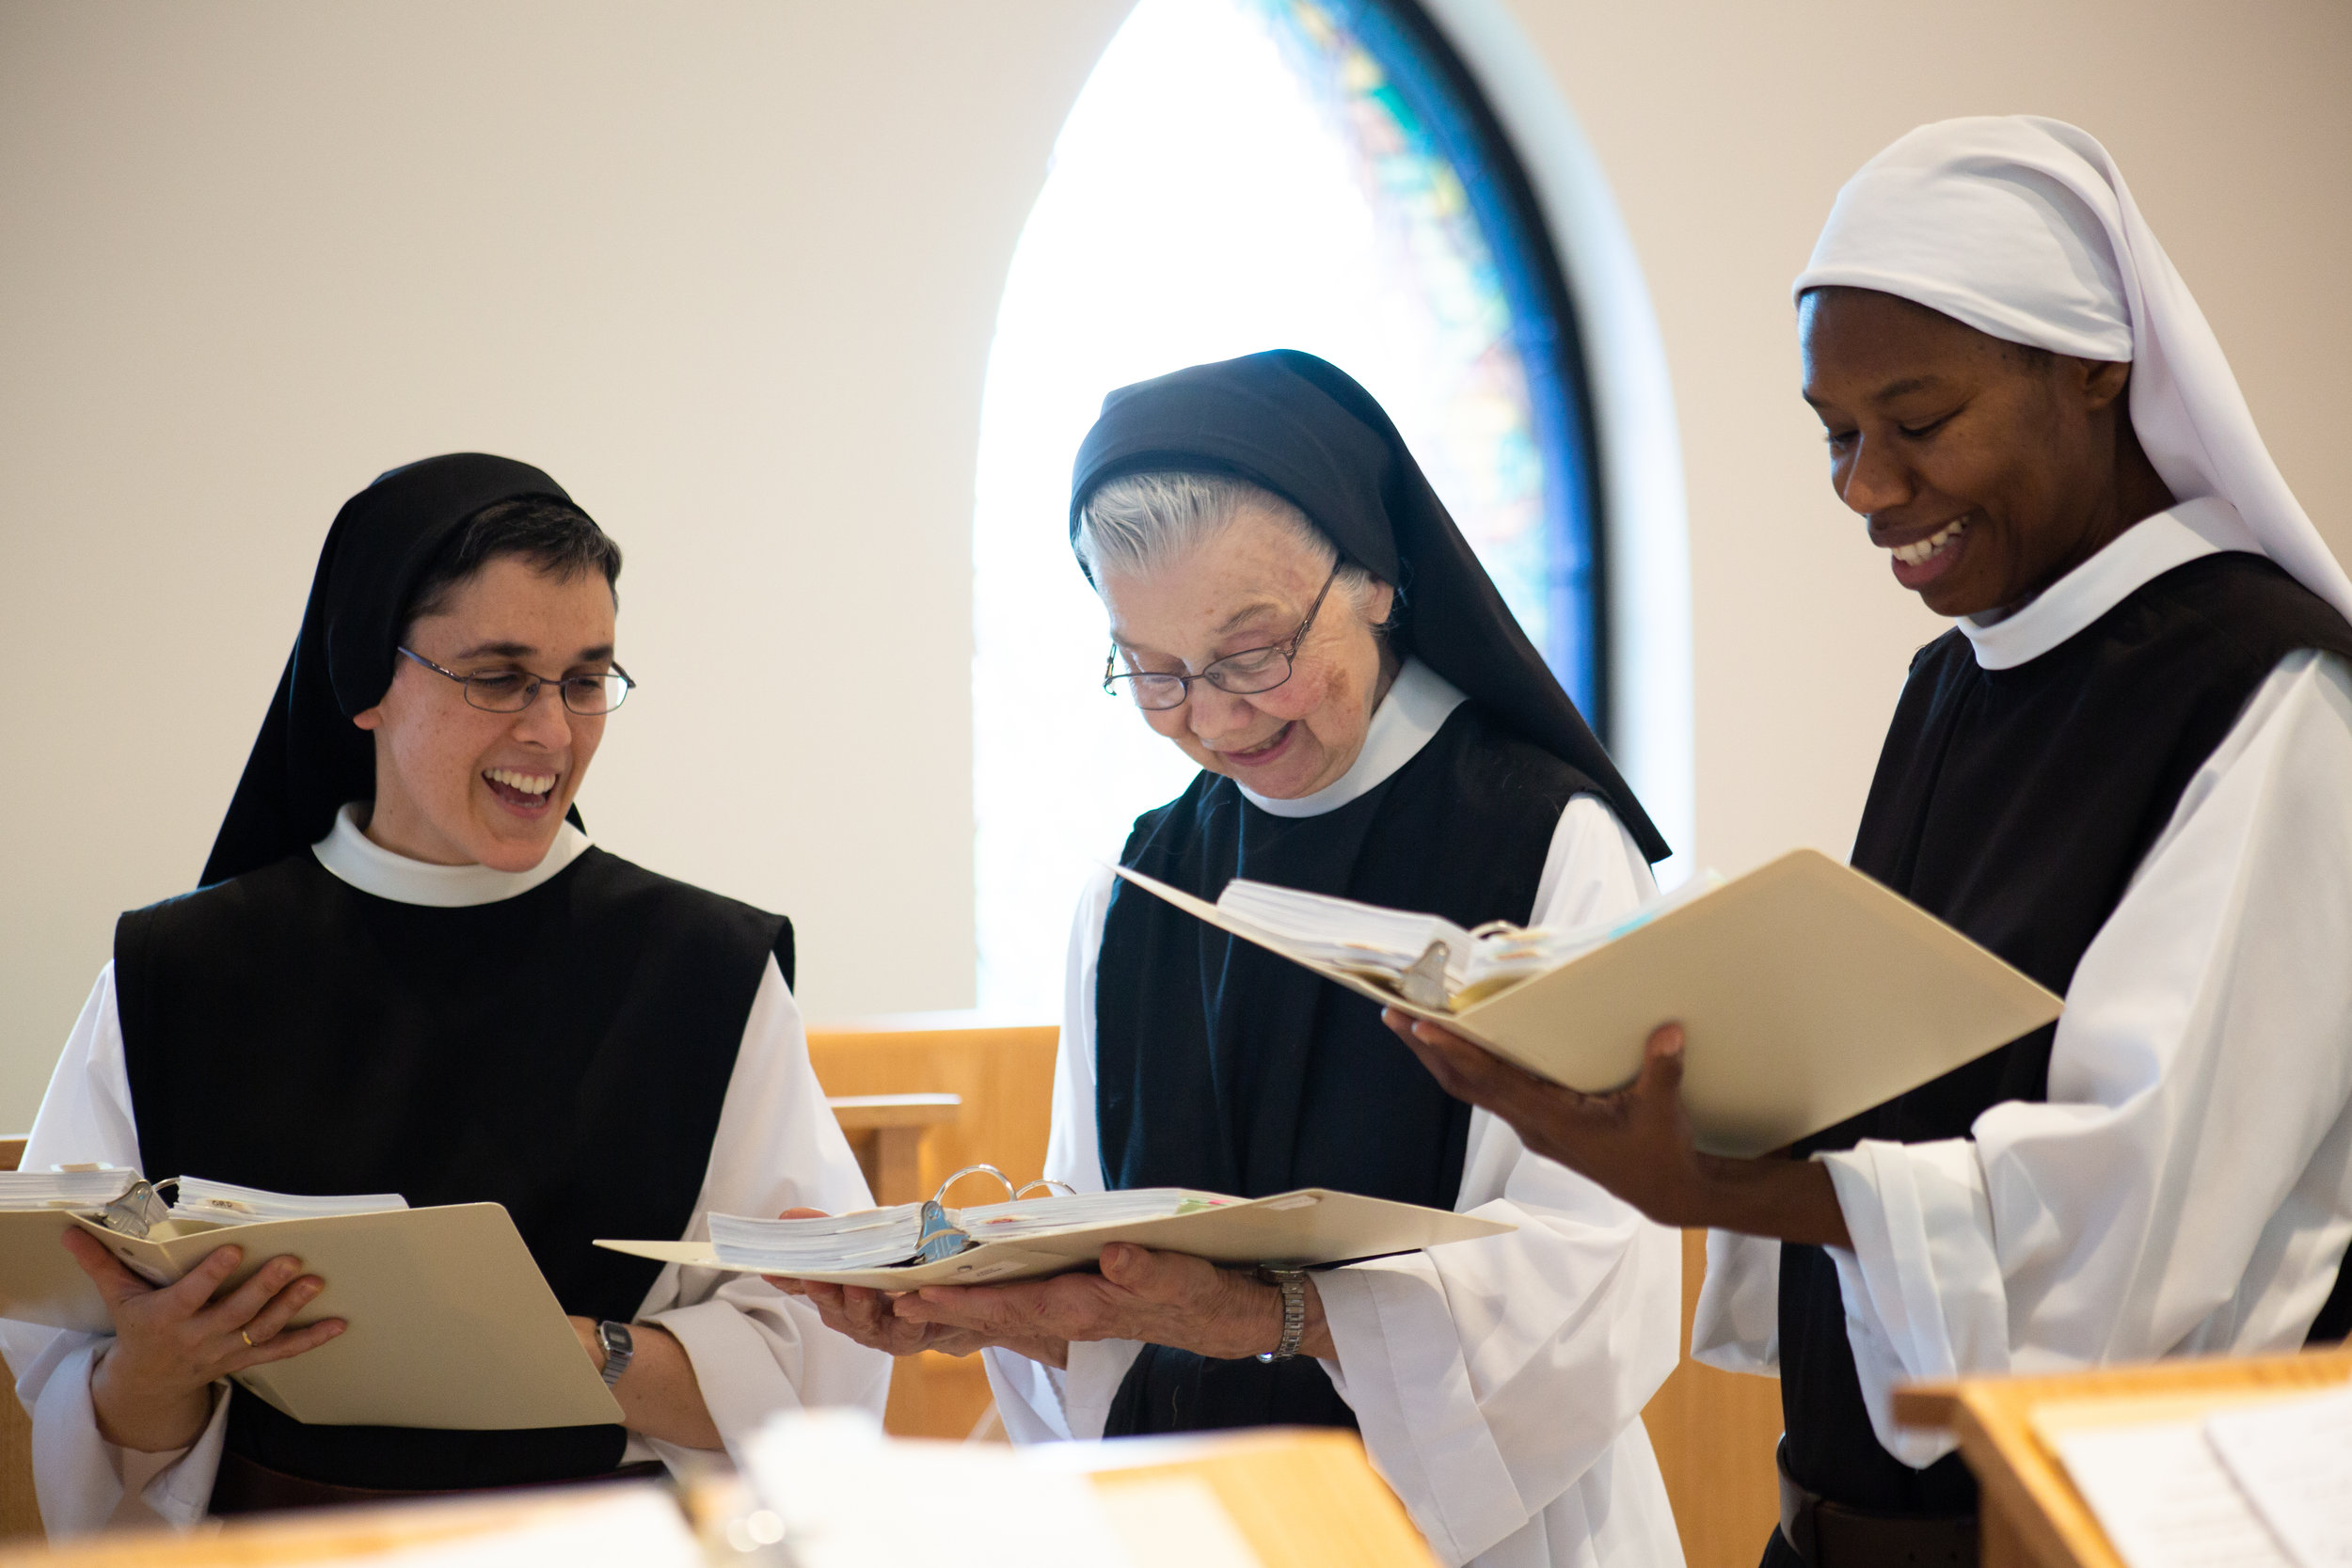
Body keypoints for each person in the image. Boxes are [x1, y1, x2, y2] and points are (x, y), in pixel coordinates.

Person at [1384, 118, 2352, 1566]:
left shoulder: (2272, 698)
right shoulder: (1958, 678)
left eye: (1918, 419)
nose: (1865, 486)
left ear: (2095, 368)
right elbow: (1904, 1083)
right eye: (1837, 434)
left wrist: (1715, 1187)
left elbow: (2134, 1213)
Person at [780, 352, 1690, 1568]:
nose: (1212, 718)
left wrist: (1268, 1315)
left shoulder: (1544, 847)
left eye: (1252, 652)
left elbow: (1596, 1275)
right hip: (1194, 1524)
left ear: (1372, 575)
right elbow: (1100, 1232)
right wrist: (998, 1296)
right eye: (1152, 671)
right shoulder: (1136, 888)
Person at [0, 454, 889, 1532]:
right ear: (366, 676)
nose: (552, 733)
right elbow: (66, 1374)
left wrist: (569, 1350)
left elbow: (820, 1356)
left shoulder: (705, 971)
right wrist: (155, 1368)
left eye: (585, 678)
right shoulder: (179, 976)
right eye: (499, 674)